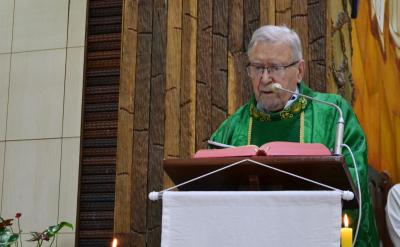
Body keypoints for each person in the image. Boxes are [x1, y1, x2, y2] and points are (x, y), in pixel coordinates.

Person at [210, 25, 379, 246]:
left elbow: (354, 182)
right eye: (257, 68)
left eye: (275, 68)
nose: (265, 78)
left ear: (299, 71)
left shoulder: (332, 115)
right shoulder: (231, 130)